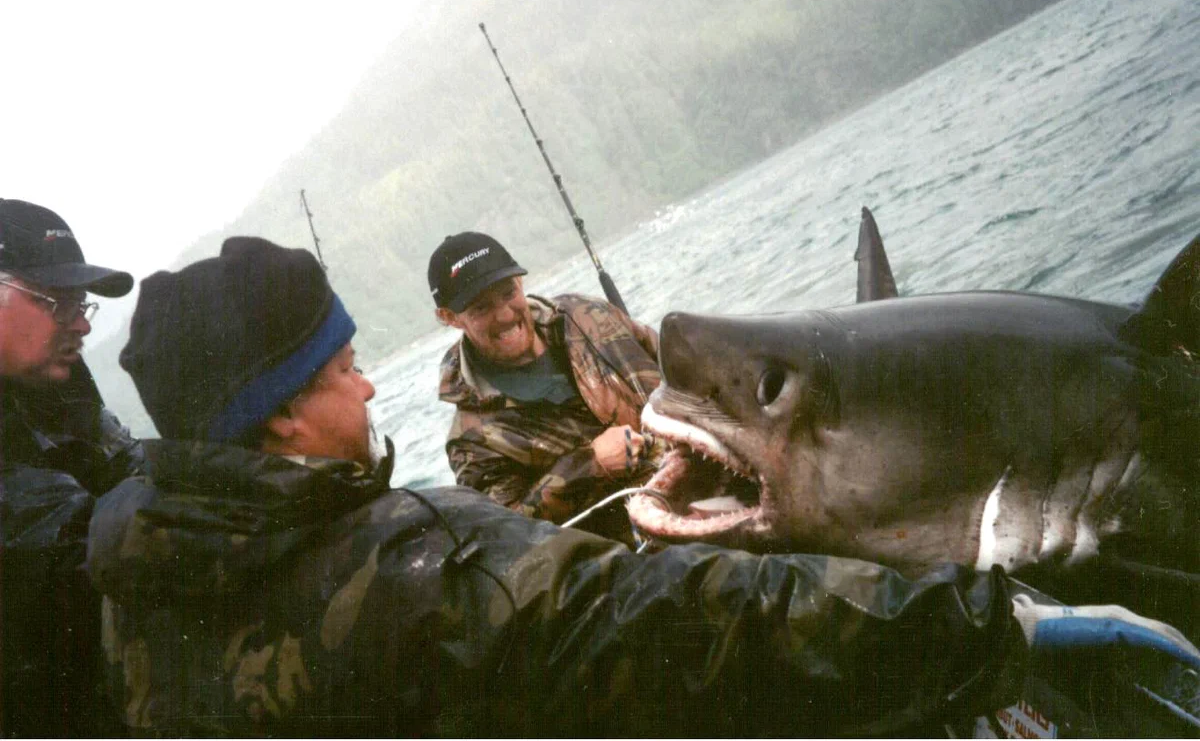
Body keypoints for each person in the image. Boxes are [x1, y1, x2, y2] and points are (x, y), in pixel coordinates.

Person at [92, 236, 1200, 737]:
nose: (367, 383)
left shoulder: (137, 581)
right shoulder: (412, 553)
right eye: (340, 370)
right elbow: (647, 618)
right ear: (278, 413)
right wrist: (986, 632)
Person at [0, 198, 141, 737]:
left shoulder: (60, 389)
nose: (81, 323)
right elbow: (67, 529)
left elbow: (132, 470)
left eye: (80, 303)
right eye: (57, 303)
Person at [429, 232, 659, 542]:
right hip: (647, 555)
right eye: (481, 308)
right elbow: (508, 532)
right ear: (448, 318)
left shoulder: (587, 314)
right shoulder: (472, 441)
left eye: (508, 292)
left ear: (521, 282)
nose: (505, 315)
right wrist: (591, 465)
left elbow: (676, 364)